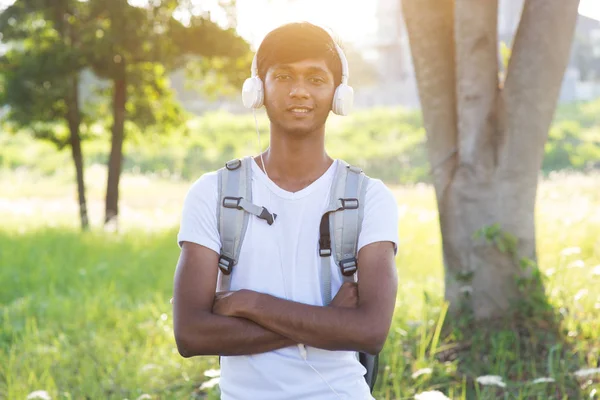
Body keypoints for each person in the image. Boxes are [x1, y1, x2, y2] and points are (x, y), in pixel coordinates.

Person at [172, 22, 399, 400]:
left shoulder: (370, 197)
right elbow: (191, 334)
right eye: (282, 76)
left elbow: (371, 332)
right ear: (258, 90)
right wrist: (330, 319)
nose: (299, 91)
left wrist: (249, 304)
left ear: (338, 94)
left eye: (315, 78)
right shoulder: (212, 192)